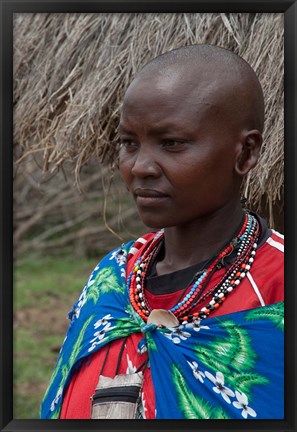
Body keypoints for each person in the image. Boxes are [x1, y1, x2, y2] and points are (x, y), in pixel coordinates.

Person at [40, 44, 284, 420]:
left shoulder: (278, 285)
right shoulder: (112, 278)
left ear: (246, 153)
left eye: (172, 143)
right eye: (129, 144)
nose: (139, 167)